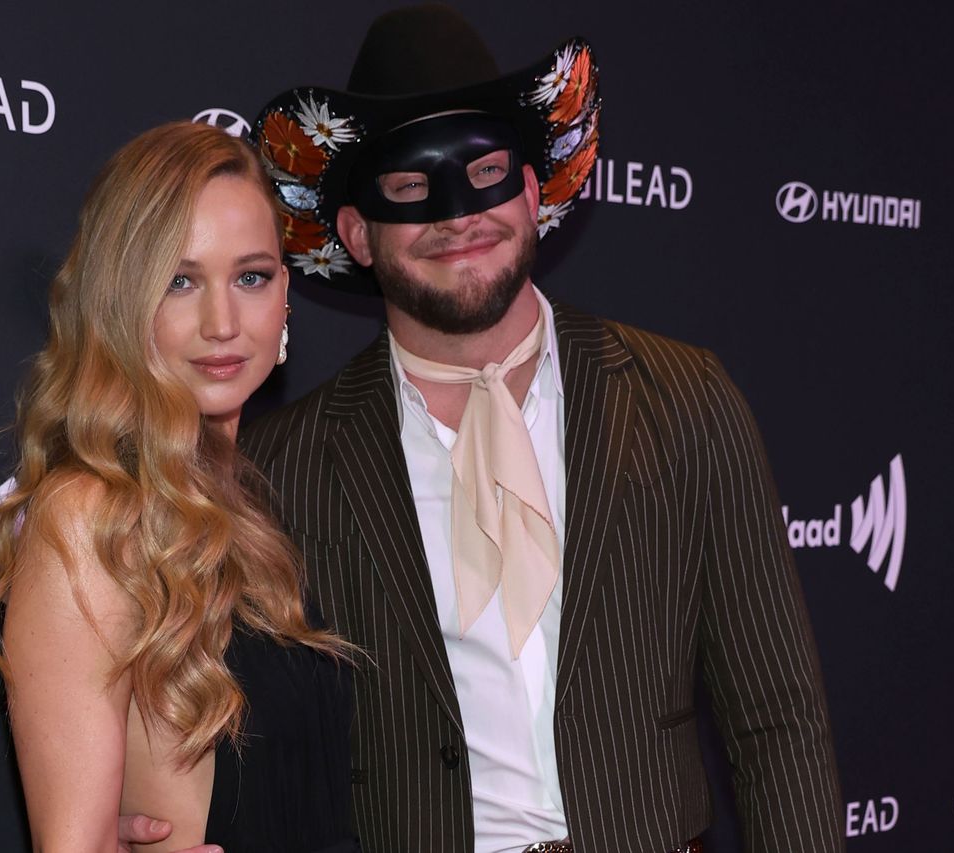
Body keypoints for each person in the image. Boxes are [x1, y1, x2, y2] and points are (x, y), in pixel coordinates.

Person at [232, 6, 841, 853]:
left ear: (531, 191)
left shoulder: (686, 399)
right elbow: (248, 739)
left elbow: (779, 720)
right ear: (356, 233)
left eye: (485, 171)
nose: (456, 215)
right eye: (409, 190)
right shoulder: (280, 466)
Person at [0, 121, 358, 853]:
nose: (222, 322)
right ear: (122, 302)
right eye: (180, 281)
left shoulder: (253, 505)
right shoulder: (90, 515)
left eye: (251, 276)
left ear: (285, 297)